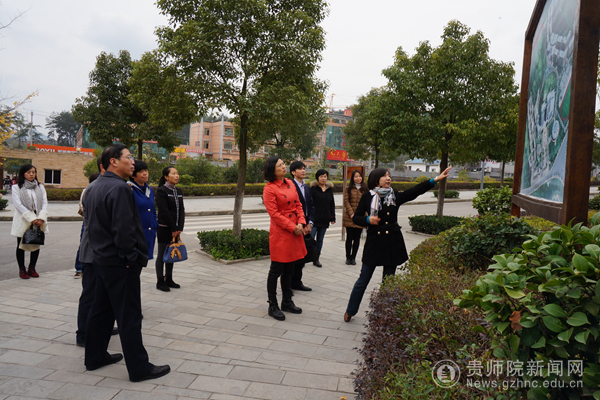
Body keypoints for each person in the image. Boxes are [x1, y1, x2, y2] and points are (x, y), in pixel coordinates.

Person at [83, 144, 170, 382]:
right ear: (113, 161)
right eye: (128, 157)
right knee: (129, 315)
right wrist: (131, 258)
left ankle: (94, 357)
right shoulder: (120, 188)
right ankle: (139, 368)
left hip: (102, 260)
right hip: (120, 263)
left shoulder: (95, 186)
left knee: (101, 311)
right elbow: (123, 229)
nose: (133, 162)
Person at [343, 167, 451, 322]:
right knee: (363, 280)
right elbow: (356, 218)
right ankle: (350, 310)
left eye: (389, 176)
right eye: (385, 176)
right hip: (374, 243)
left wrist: (434, 180)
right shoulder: (367, 196)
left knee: (388, 282)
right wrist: (368, 220)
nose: (388, 178)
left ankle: (383, 314)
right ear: (376, 180)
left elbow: (414, 191)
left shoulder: (394, 196)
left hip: (391, 242)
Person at [263, 156, 305, 320]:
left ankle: (287, 301)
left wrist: (301, 222)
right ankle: (272, 305)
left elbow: (298, 205)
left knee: (289, 268)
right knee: (276, 270)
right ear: (272, 170)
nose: (283, 166)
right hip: (281, 233)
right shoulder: (269, 188)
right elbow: (274, 214)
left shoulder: (290, 183)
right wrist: (293, 227)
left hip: (295, 230)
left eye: (283, 164)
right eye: (280, 165)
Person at [10, 164, 48, 279]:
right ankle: (22, 270)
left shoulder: (40, 187)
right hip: (23, 219)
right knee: (21, 245)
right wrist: (32, 219)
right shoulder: (16, 187)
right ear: (23, 174)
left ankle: (32, 268)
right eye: (28, 172)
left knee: (36, 242)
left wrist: (41, 218)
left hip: (39, 219)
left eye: (33, 172)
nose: (31, 174)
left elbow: (45, 203)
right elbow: (18, 205)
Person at [155, 166, 185, 292]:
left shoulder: (178, 191)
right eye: (173, 173)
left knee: (172, 252)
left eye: (177, 173)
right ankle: (160, 281)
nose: (176, 176)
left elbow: (181, 210)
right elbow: (164, 211)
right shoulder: (162, 191)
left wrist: (179, 228)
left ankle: (169, 279)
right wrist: (173, 228)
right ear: (166, 177)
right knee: (162, 254)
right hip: (164, 228)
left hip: (175, 229)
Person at [290, 161, 314, 292]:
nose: (303, 171)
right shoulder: (290, 186)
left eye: (304, 168)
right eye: (300, 169)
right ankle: (288, 284)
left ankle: (297, 282)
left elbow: (311, 206)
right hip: (295, 226)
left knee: (302, 256)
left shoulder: (307, 188)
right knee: (292, 257)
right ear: (293, 172)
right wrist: (300, 224)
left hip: (306, 225)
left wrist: (310, 223)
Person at [128, 160, 158, 260]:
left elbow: (153, 210)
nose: (145, 173)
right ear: (133, 175)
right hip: (136, 235)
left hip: (149, 234)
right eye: (141, 171)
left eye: (146, 170)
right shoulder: (129, 189)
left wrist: (154, 225)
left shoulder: (150, 190)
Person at [310, 169, 336, 267]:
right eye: (321, 176)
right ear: (317, 178)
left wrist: (333, 217)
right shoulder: (313, 189)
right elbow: (309, 204)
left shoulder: (329, 189)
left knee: (320, 240)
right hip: (314, 219)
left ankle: (316, 258)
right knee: (311, 239)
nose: (323, 178)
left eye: (325, 176)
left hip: (325, 219)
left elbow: (332, 204)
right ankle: (307, 256)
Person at [343, 170, 368, 265]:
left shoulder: (365, 189)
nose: (358, 178)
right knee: (349, 238)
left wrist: (359, 215)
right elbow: (346, 202)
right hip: (349, 217)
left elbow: (367, 203)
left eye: (359, 176)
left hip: (360, 218)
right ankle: (348, 257)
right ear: (352, 178)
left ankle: (353, 257)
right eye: (356, 176)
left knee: (357, 239)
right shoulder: (348, 189)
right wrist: (351, 213)